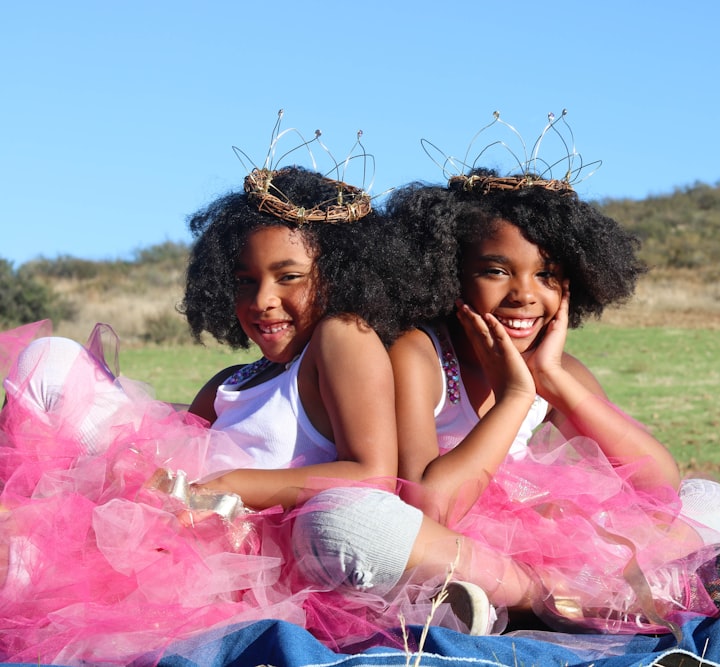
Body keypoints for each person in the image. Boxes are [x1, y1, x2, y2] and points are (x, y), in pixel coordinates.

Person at [0, 162, 490, 663]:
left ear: (343, 275)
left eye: (289, 278)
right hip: (167, 519)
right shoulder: (229, 382)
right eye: (244, 281)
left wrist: (227, 484)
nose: (263, 301)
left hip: (244, 552)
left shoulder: (340, 336)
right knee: (50, 358)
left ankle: (418, 601)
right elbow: (163, 447)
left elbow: (373, 475)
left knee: (29, 573)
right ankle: (20, 517)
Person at [379, 159, 720, 635]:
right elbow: (430, 505)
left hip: (544, 531)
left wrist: (552, 379)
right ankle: (577, 599)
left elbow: (657, 481)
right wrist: (516, 398)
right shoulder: (418, 353)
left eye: (547, 274)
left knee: (709, 500)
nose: (525, 294)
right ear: (448, 272)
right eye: (497, 271)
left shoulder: (555, 368)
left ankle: (610, 593)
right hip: (458, 537)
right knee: (382, 535)